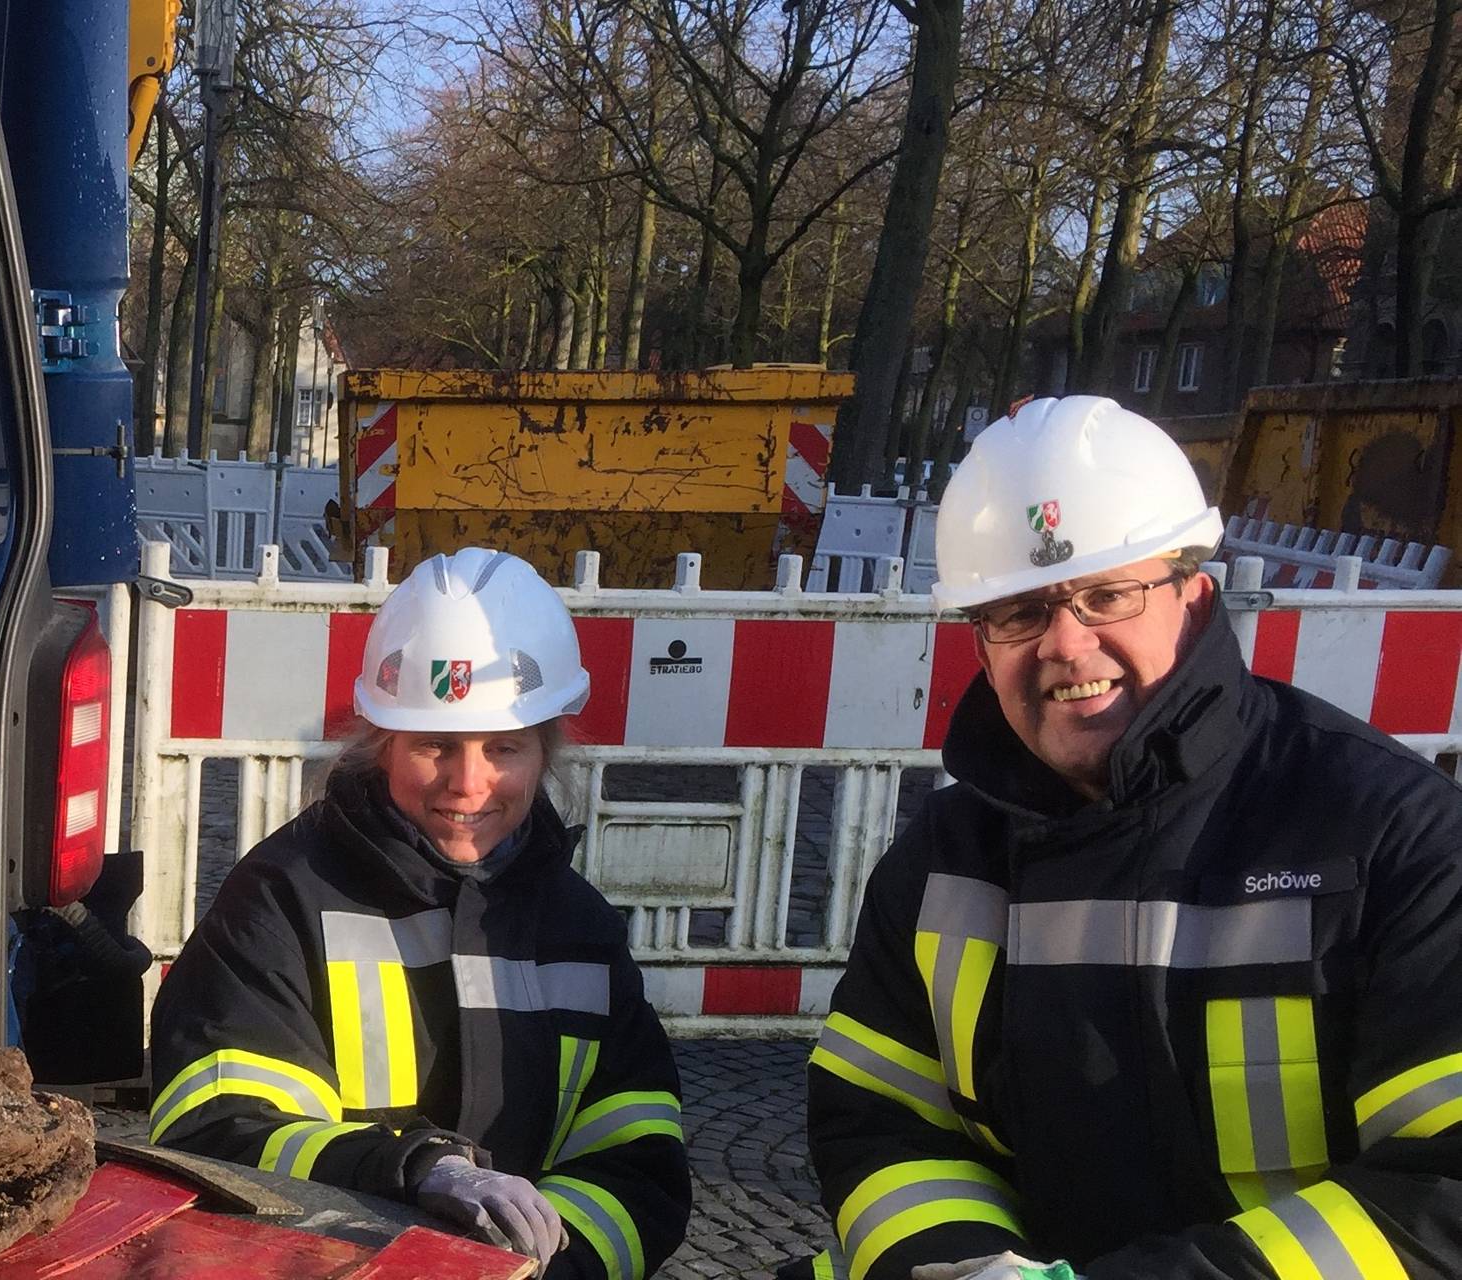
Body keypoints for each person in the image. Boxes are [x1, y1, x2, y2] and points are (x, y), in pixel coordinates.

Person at [807, 395, 1462, 1279]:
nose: (1067, 645)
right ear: (980, 641)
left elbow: (1443, 1189)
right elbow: (880, 1120)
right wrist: (961, 1264)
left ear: (1193, 597)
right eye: (1020, 611)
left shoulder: (1391, 834)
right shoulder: (943, 859)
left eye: (1107, 594)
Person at [147, 547, 690, 1280]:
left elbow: (641, 1163)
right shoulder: (283, 897)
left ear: (547, 750)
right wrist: (417, 1172)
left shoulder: (579, 928)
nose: (469, 785)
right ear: (381, 743)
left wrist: (550, 1264)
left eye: (505, 748)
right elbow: (215, 1128)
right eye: (435, 745)